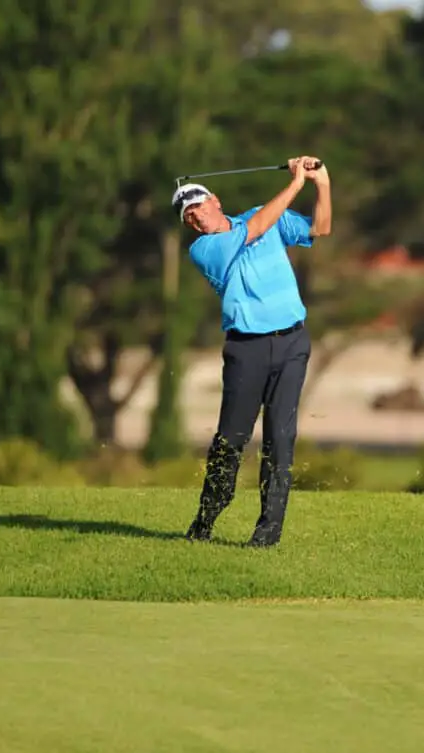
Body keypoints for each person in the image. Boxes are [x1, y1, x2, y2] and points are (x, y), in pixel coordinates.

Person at [171, 156, 332, 547]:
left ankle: (266, 535)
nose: (195, 218)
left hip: (293, 342)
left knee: (281, 437)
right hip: (247, 349)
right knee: (231, 439)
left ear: (216, 201)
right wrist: (296, 183)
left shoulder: (263, 214)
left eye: (198, 208)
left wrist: (322, 184)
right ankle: (206, 519)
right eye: (187, 216)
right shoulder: (205, 249)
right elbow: (258, 227)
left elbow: (319, 229)